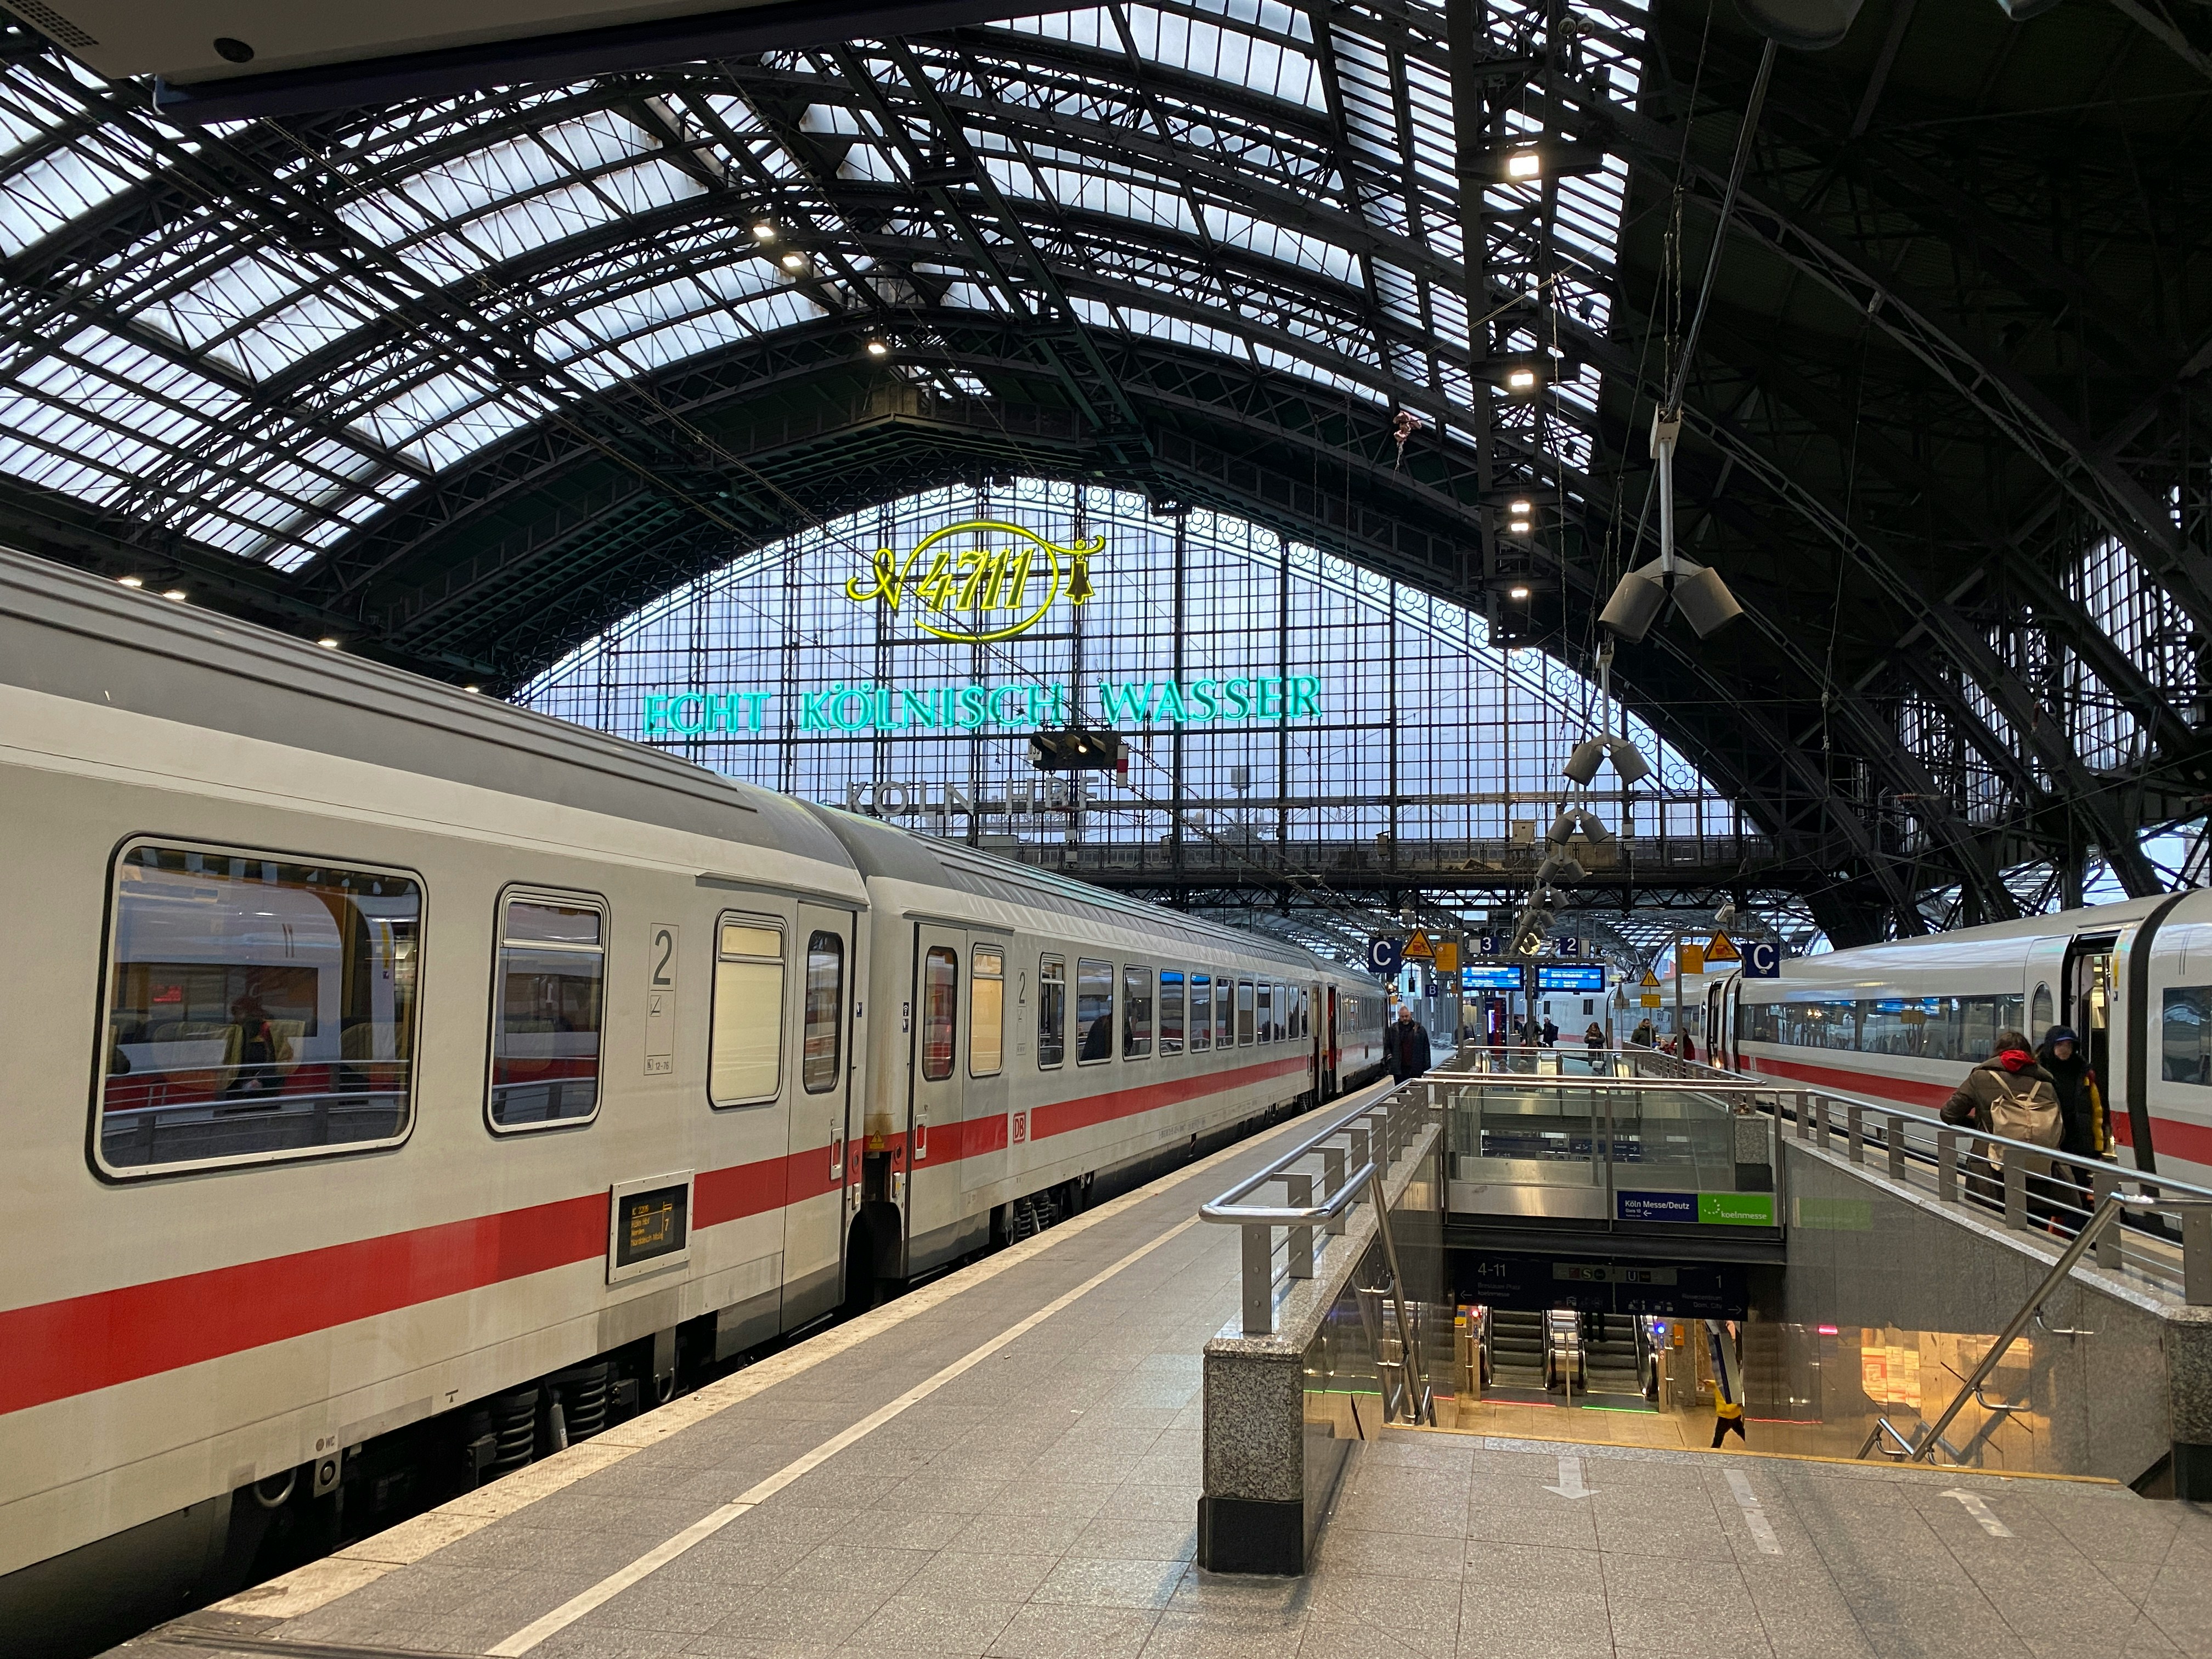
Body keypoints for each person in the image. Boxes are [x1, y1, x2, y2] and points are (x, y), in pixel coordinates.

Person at [1940, 1029, 2062, 1207]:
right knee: (2031, 1229)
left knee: (1985, 1223)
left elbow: (1949, 1113)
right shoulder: (2045, 1084)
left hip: (1988, 1169)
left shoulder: (1980, 1077)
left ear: (1997, 1052)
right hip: (2035, 1170)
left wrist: (1979, 1126)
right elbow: (2060, 1131)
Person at [2037, 1025, 2107, 1214]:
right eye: (2060, 1045)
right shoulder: (2039, 1070)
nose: (2065, 1050)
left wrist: (2098, 1146)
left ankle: (2076, 1233)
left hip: (2078, 1141)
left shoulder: (2083, 1071)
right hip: (2049, 1140)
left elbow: (2096, 1110)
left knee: (2079, 1190)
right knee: (2051, 1189)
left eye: (2069, 1045)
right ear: (2051, 1046)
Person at [1385, 1006, 1432, 1082]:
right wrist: (1390, 1059)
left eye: (1406, 1016)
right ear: (1399, 1016)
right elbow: (1387, 1046)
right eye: (1402, 1017)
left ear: (1410, 1015)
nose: (1405, 1019)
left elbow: (1426, 1048)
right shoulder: (1393, 1030)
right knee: (1401, 1091)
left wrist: (1427, 1067)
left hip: (1416, 1068)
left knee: (1416, 1091)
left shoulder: (1420, 1029)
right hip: (1399, 1068)